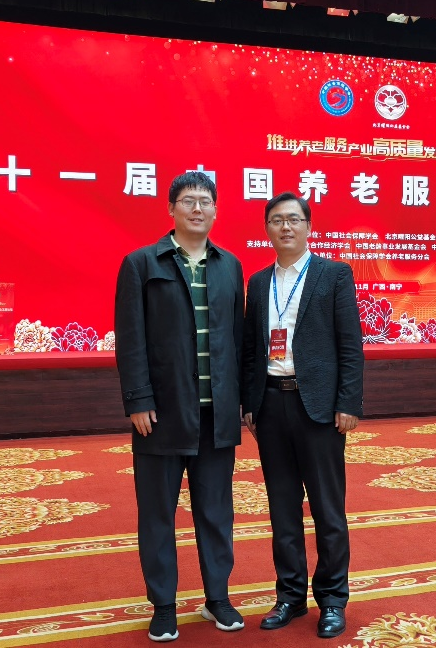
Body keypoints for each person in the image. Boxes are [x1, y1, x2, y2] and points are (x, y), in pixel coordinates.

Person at [114, 171, 246, 642]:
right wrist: (138, 400)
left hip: (216, 417)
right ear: (171, 209)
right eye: (188, 201)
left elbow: (237, 342)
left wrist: (242, 403)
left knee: (216, 512)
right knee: (157, 515)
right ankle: (164, 605)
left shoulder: (229, 266)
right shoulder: (141, 264)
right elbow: (131, 339)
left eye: (205, 201)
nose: (197, 209)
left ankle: (217, 598)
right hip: (161, 416)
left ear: (216, 210)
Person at [241, 192, 365, 639]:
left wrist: (348, 403)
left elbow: (350, 345)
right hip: (271, 405)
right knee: (282, 509)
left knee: (328, 509)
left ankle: (332, 600)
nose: (286, 227)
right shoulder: (259, 283)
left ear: (309, 227)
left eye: (294, 219)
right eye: (277, 220)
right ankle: (290, 596)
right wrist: (249, 403)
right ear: (267, 229)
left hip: (320, 409)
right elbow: (251, 349)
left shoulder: (334, 274)